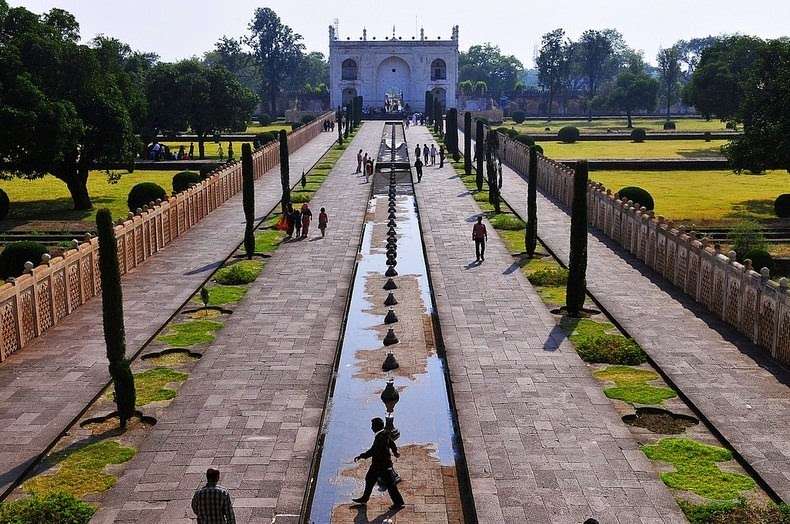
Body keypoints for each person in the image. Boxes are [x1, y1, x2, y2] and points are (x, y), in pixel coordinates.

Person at [352, 417, 404, 510]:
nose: (371, 428)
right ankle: (365, 498)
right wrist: (395, 452)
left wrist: (361, 456)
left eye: (372, 426)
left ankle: (398, 503)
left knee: (390, 485)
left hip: (381, 465)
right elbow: (392, 443)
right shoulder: (385, 434)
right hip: (379, 465)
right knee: (370, 478)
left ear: (376, 427)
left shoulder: (380, 438)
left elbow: (373, 451)